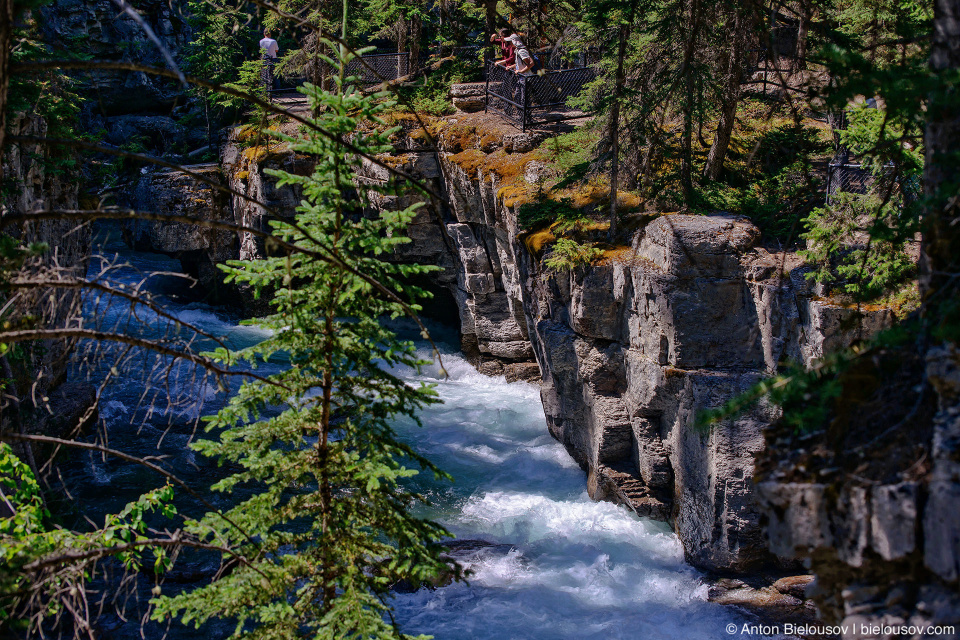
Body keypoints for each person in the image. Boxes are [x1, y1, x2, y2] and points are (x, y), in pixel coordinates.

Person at [259, 28, 280, 96]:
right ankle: (278, 91)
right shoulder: (273, 41)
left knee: (264, 75)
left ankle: (265, 91)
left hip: (265, 59)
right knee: (276, 75)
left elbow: (261, 50)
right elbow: (276, 50)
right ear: (270, 34)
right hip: (273, 59)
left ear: (264, 34)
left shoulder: (261, 41)